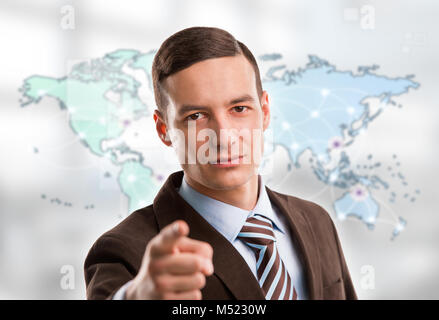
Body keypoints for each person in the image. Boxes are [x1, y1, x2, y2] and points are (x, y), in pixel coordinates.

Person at [83, 26, 357, 300]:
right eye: (196, 116)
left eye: (239, 109)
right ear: (163, 129)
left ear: (264, 112)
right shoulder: (124, 253)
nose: (224, 137)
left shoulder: (316, 220)